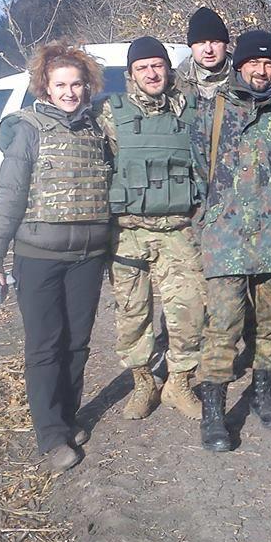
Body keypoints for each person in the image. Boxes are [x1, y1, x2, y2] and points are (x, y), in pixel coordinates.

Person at [0, 42, 111, 473]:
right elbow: (9, 197)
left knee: (77, 343)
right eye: (61, 85)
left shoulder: (97, 131)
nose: (70, 92)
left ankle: (68, 418)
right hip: (38, 258)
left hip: (88, 257)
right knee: (45, 344)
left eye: (77, 84)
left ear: (87, 86)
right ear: (46, 88)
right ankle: (51, 434)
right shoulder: (29, 130)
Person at [191, 30, 271, 452]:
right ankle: (214, 412)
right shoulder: (213, 109)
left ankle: (264, 394)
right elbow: (198, 169)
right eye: (253, 63)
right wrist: (208, 220)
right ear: (239, 65)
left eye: (269, 63)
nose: (261, 70)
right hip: (226, 236)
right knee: (222, 325)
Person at [98, 36, 206, 421]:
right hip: (128, 231)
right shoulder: (110, 113)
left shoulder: (191, 110)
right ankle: (144, 381)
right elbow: (94, 162)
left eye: (157, 65)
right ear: (131, 74)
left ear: (168, 69)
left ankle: (179, 383)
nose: (151, 73)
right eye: (142, 67)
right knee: (132, 312)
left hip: (178, 229)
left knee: (190, 308)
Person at [177, 6, 232, 100]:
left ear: (225, 45)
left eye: (215, 42)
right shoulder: (176, 81)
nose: (208, 50)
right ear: (191, 46)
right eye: (201, 42)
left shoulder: (243, 77)